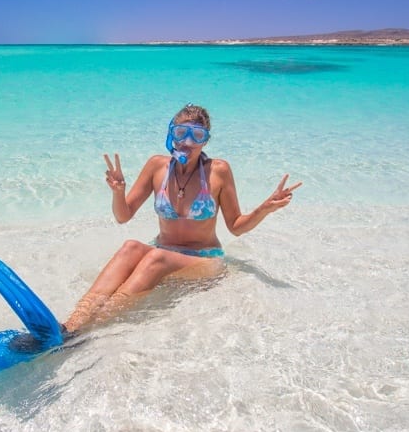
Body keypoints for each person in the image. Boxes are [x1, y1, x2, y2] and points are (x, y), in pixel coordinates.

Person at [61, 104, 302, 334]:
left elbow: (236, 227)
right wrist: (118, 192)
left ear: (205, 140)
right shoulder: (157, 166)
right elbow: (123, 216)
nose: (187, 142)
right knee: (130, 246)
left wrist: (264, 209)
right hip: (163, 251)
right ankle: (71, 324)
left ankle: (89, 331)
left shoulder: (218, 171)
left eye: (197, 135)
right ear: (170, 134)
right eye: (180, 133)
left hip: (204, 260)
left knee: (156, 257)